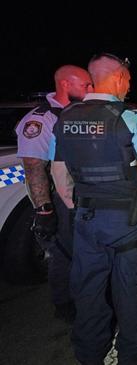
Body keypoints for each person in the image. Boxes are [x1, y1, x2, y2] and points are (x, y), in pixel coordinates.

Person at [50, 53, 137, 365]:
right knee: (129, 290)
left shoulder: (66, 118)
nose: (129, 88)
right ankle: (134, 351)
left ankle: (89, 353)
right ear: (118, 78)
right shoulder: (130, 118)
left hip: (86, 219)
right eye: (129, 81)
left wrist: (76, 206)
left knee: (88, 289)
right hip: (126, 222)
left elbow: (58, 173)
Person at [15, 65, 93, 323]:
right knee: (63, 253)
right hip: (58, 200)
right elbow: (34, 167)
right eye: (85, 85)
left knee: (81, 250)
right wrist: (44, 210)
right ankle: (64, 303)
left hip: (80, 194)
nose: (91, 90)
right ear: (65, 85)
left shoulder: (76, 113)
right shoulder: (42, 120)